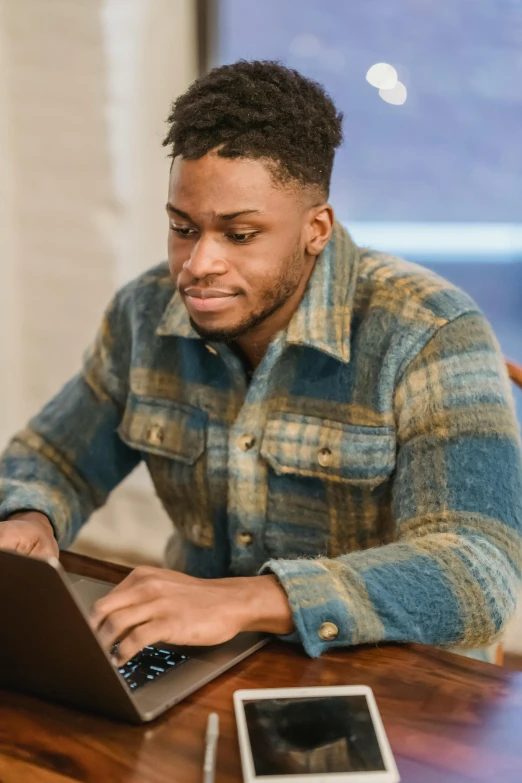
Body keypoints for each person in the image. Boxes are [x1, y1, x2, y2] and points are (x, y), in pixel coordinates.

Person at [0, 61, 520, 668]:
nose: (198, 264)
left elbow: (477, 571)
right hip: (196, 656)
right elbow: (54, 459)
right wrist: (29, 514)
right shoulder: (144, 314)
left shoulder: (429, 330)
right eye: (181, 228)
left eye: (240, 235)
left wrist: (251, 599)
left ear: (315, 229)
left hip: (396, 685)